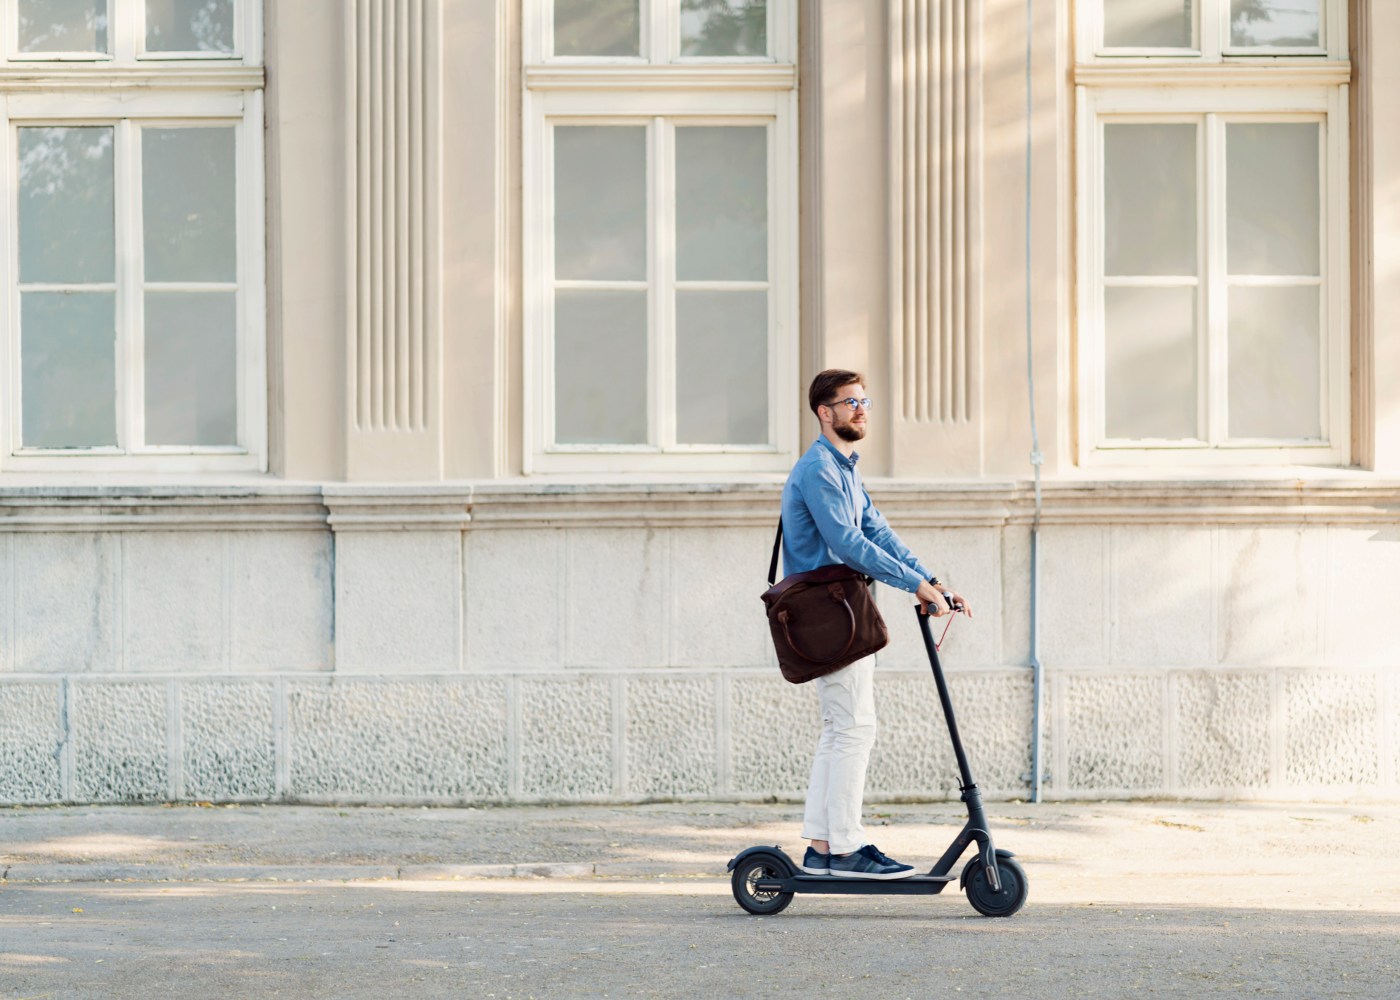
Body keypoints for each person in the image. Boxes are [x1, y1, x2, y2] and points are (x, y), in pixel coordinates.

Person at [780, 368, 971, 879]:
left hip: (844, 608)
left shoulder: (843, 467)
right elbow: (846, 542)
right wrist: (914, 586)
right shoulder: (819, 469)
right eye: (850, 403)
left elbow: (876, 530)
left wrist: (931, 579)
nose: (861, 410)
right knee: (853, 728)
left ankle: (823, 847)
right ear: (825, 412)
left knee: (842, 728)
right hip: (829, 613)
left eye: (865, 401)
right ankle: (844, 849)